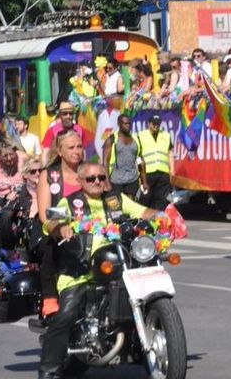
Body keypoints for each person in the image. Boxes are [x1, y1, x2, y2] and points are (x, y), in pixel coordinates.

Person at [38, 161, 160, 379]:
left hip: (120, 262)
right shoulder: (70, 201)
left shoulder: (116, 199)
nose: (97, 182)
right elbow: (51, 222)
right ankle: (49, 369)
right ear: (80, 181)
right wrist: (61, 227)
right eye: (91, 179)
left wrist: (164, 216)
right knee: (66, 315)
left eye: (101, 178)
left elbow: (144, 212)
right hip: (80, 267)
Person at [37, 129, 86, 319]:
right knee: (52, 245)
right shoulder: (49, 175)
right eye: (71, 147)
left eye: (80, 146)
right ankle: (50, 298)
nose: (77, 151)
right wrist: (62, 226)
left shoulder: (91, 171)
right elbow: (45, 214)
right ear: (59, 151)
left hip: (89, 228)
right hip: (56, 229)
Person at [137, 114, 173, 210]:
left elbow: (170, 153)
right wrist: (139, 172)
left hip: (163, 173)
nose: (156, 125)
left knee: (161, 200)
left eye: (158, 124)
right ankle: (144, 220)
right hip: (147, 173)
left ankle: (159, 220)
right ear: (149, 124)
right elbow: (138, 155)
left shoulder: (166, 135)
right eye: (154, 123)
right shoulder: (141, 136)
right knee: (146, 198)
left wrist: (172, 170)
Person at [103, 113, 142, 199]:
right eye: (125, 124)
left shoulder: (135, 139)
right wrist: (107, 182)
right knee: (117, 207)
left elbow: (140, 159)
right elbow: (105, 162)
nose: (128, 126)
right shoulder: (112, 140)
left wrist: (144, 181)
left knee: (131, 205)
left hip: (132, 179)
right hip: (116, 180)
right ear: (119, 124)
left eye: (129, 124)